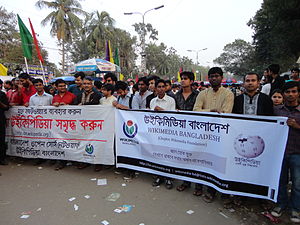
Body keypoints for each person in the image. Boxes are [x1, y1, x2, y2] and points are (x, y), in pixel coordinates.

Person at [193, 67, 234, 203]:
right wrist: (211, 110)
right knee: (204, 161)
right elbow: (196, 110)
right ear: (208, 78)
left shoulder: (228, 94)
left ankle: (222, 193)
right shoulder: (203, 93)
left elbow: (225, 113)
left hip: (221, 135)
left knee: (220, 163)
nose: (214, 78)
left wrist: (209, 112)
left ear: (221, 77)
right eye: (211, 76)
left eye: (216, 76)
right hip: (204, 134)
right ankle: (206, 189)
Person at [271, 81, 300, 223]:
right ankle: (280, 204)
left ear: (298, 93)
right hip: (280, 153)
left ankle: (296, 209)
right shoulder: (277, 110)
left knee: (297, 183)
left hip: (297, 153)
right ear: (283, 94)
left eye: (294, 91)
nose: (290, 94)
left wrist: (296, 125)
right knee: (280, 181)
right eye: (288, 92)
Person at [174, 71, 203, 196]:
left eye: (185, 79)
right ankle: (186, 182)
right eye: (182, 78)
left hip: (195, 131)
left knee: (197, 158)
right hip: (181, 131)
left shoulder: (198, 95)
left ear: (191, 81)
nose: (183, 81)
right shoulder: (177, 95)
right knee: (185, 157)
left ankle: (199, 186)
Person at [150, 79, 176, 189]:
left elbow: (172, 117)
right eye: (159, 87)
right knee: (157, 155)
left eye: (163, 86)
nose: (161, 89)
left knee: (167, 155)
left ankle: (168, 178)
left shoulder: (171, 100)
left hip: (167, 132)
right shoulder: (152, 101)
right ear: (155, 89)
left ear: (166, 88)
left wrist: (160, 110)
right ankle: (158, 176)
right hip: (155, 132)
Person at [75, 77, 102, 171]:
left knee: (96, 142)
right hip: (82, 123)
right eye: (85, 83)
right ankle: (84, 161)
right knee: (83, 142)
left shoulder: (98, 95)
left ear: (92, 85)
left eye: (88, 84)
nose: (86, 85)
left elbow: (94, 104)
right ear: (82, 84)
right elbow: (75, 106)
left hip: (94, 123)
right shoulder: (79, 95)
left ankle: (98, 162)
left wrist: (83, 105)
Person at [52, 79, 76, 170]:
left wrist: (67, 106)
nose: (62, 88)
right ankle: (61, 162)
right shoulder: (54, 97)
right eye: (60, 86)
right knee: (60, 142)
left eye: (64, 86)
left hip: (70, 124)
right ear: (56, 87)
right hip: (58, 124)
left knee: (71, 141)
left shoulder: (72, 96)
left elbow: (77, 108)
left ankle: (73, 159)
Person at [0, 79, 9, 165]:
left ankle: (2, 158)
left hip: (0, 120)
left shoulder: (2, 95)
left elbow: (6, 107)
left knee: (1, 140)